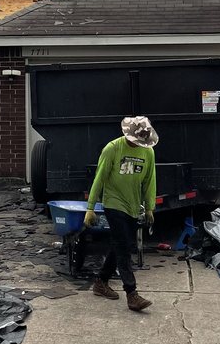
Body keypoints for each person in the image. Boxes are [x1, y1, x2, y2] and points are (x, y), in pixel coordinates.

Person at [84, 116, 157, 312]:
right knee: (124, 247)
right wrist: (90, 207)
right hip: (113, 203)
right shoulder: (113, 149)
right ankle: (132, 294)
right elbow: (99, 178)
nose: (137, 144)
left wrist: (149, 207)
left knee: (120, 245)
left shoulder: (148, 152)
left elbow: (150, 181)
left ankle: (101, 281)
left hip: (133, 206)